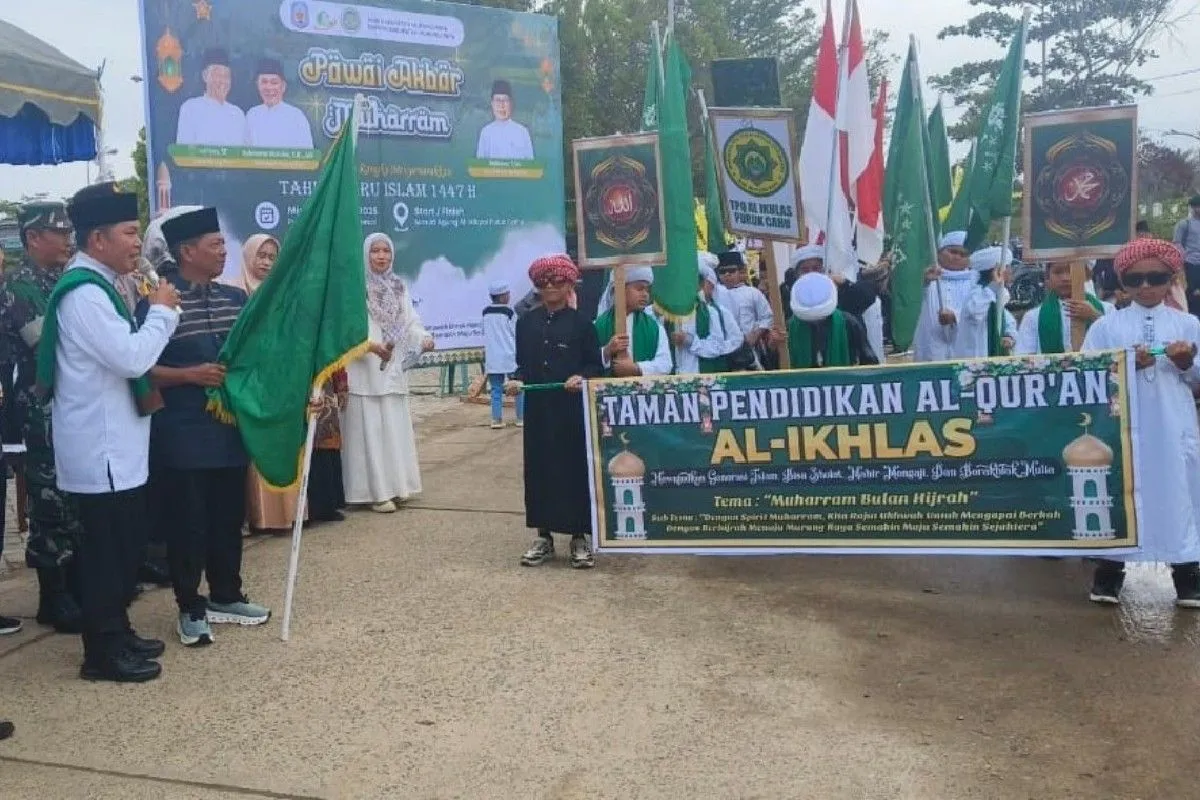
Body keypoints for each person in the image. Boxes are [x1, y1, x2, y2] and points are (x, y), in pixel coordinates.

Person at [39, 182, 180, 682]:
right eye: (128, 232)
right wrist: (162, 311)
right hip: (101, 448)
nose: (137, 243)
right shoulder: (84, 293)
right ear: (97, 239)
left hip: (117, 444)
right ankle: (102, 652)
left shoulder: (104, 283)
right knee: (105, 554)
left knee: (123, 548)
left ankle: (118, 630)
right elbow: (132, 357)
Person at [141, 208, 270, 648]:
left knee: (227, 518)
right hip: (182, 433)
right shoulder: (159, 303)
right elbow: (138, 367)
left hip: (229, 430)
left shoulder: (235, 300)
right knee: (188, 524)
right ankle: (190, 606)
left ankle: (227, 595)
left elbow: (256, 355)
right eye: (214, 245)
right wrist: (188, 375)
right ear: (186, 251)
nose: (223, 252)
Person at [1081, 238, 1200, 607]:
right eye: (1135, 279)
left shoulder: (1188, 324)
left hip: (1171, 424)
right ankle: (1110, 570)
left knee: (1177, 492)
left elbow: (1197, 379)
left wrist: (1185, 363)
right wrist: (1126, 366)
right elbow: (1087, 376)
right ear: (1123, 283)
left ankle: (1186, 572)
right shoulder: (1106, 326)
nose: (1146, 286)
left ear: (1171, 279)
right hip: (1123, 425)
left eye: (1156, 278)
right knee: (1122, 489)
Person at [0, 202, 84, 633]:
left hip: (70, 407)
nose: (69, 239)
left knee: (72, 497)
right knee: (48, 499)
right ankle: (54, 595)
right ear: (33, 237)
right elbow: (49, 343)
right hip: (38, 413)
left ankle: (74, 584)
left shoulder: (63, 280)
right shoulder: (19, 285)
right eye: (60, 232)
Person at [506, 254, 603, 569]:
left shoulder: (583, 323)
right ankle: (543, 537)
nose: (550, 286)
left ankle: (578, 537)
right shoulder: (525, 323)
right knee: (540, 470)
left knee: (573, 469)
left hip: (571, 411)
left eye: (557, 281)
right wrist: (517, 381)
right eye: (543, 281)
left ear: (569, 284)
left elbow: (594, 366)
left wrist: (581, 377)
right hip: (538, 411)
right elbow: (522, 365)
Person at [342, 233, 434, 513]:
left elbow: (411, 322)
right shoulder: (356, 288)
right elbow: (347, 328)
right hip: (364, 368)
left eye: (386, 251)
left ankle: (396, 487)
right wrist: (372, 348)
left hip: (392, 369)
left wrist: (423, 338)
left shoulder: (398, 286)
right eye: (375, 251)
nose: (381, 256)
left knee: (393, 429)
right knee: (368, 430)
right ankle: (375, 493)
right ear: (365, 254)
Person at [229, 233, 301, 532]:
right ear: (248, 257)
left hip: (279, 380)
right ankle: (259, 516)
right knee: (256, 446)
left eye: (272, 257)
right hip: (251, 382)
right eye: (261, 256)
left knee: (283, 441)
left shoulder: (281, 293)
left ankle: (287, 514)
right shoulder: (234, 292)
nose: (267, 263)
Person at [1014, 261, 1113, 355]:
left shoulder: (1107, 309)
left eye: (1071, 271)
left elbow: (1117, 344)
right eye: (1058, 272)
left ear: (1086, 275)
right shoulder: (1033, 317)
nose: (1065, 278)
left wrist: (1095, 316)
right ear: (1047, 278)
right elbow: (1023, 358)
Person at [785, 273, 878, 368]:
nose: (816, 322)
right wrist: (776, 346)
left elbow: (870, 363)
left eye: (821, 318)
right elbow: (780, 368)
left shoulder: (848, 323)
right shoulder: (789, 328)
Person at [594, 266, 672, 378]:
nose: (645, 294)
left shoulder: (656, 328)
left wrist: (636, 368)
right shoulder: (596, 326)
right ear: (619, 289)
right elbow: (586, 362)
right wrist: (606, 351)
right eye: (640, 289)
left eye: (647, 290)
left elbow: (666, 364)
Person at [673, 256, 744, 374]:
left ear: (700, 285)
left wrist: (690, 341)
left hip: (701, 375)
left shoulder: (713, 313)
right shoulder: (661, 312)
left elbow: (718, 345)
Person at [912, 230, 974, 362]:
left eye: (963, 254)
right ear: (939, 253)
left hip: (963, 349)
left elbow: (979, 313)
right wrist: (923, 282)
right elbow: (910, 302)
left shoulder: (975, 282)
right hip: (931, 347)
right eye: (952, 252)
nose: (957, 257)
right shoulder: (928, 277)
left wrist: (955, 317)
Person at [953, 246, 1017, 358]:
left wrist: (1009, 335)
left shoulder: (996, 293)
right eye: (1007, 267)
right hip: (975, 359)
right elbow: (976, 312)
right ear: (996, 271)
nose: (1011, 271)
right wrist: (994, 285)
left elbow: (1006, 319)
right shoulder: (977, 294)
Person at [176, 48, 246, 147]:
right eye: (217, 74)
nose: (222, 81)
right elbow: (184, 150)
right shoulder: (191, 108)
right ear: (205, 76)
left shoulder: (238, 114)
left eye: (226, 76)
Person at [717, 250, 773, 365]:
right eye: (722, 271)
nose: (727, 274)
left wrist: (756, 334)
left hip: (749, 348)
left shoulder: (752, 292)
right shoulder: (715, 294)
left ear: (740, 272)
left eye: (731, 271)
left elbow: (767, 317)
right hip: (722, 348)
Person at [245, 58, 314, 149]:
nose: (269, 88)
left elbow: (306, 153)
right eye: (264, 82)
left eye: (274, 82)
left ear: (283, 86)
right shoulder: (252, 114)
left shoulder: (296, 116)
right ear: (257, 85)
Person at [307, 370, 348, 523]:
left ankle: (327, 505)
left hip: (324, 382)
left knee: (326, 436)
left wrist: (342, 386)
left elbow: (337, 360)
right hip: (300, 380)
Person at [482, 280, 523, 428]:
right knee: (518, 387)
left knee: (496, 389)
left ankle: (496, 420)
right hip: (510, 355)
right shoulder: (509, 313)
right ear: (502, 296)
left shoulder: (485, 313)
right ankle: (521, 418)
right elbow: (517, 333)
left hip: (493, 357)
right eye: (507, 294)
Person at [475, 79, 535, 160]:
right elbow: (480, 163)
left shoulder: (522, 132)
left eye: (505, 100)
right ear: (492, 103)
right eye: (498, 100)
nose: (501, 105)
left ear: (511, 104)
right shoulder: (486, 132)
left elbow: (530, 163)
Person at [1172, 195, 1200, 317]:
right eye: (1198, 206)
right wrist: (1183, 259)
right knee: (1192, 295)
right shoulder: (1185, 224)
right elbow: (1177, 243)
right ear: (1193, 207)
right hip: (1190, 264)